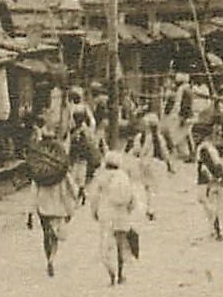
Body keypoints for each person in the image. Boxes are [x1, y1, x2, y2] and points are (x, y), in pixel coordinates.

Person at [90, 150, 141, 285]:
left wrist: (94, 212)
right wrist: (129, 210)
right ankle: (121, 273)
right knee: (121, 245)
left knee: (107, 246)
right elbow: (132, 198)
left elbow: (94, 198)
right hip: (121, 214)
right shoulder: (123, 176)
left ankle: (111, 272)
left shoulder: (100, 177)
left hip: (106, 213)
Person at [32, 146, 78, 277]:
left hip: (43, 205)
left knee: (46, 234)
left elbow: (33, 191)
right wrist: (74, 201)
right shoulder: (62, 171)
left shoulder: (39, 171)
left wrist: (30, 211)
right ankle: (52, 258)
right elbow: (73, 189)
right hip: (58, 206)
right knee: (55, 237)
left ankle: (48, 258)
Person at [125, 112, 173, 221]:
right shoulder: (158, 138)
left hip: (143, 164)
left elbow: (136, 151)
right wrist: (169, 164)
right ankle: (151, 208)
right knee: (153, 188)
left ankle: (146, 207)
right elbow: (164, 152)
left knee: (146, 187)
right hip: (155, 164)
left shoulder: (139, 137)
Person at [194, 133, 223, 242]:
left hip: (206, 179)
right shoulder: (211, 147)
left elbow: (206, 164)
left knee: (204, 200)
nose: (194, 138)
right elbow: (218, 163)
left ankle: (215, 226)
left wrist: (213, 177)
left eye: (196, 136)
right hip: (214, 177)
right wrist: (222, 177)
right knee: (213, 203)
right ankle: (215, 228)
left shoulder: (203, 148)